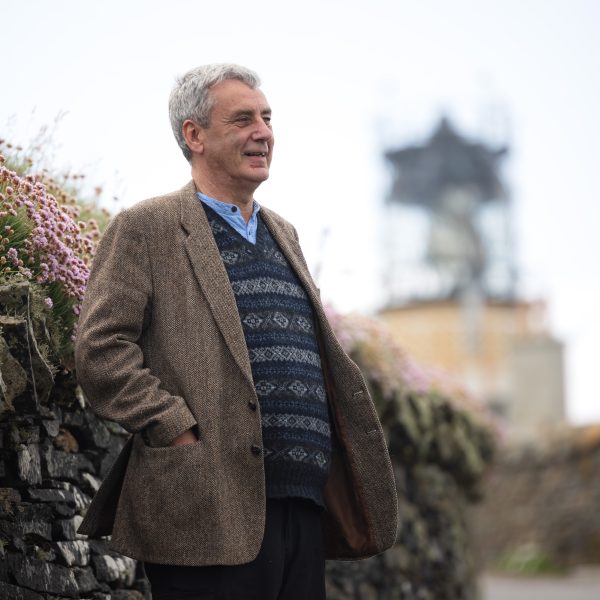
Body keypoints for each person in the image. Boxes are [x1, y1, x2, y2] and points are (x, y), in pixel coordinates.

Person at [75, 63, 397, 600]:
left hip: (303, 503)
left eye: (267, 118)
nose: (264, 132)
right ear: (194, 135)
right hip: (207, 503)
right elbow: (100, 350)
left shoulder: (283, 233)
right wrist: (173, 425)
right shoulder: (146, 227)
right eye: (244, 118)